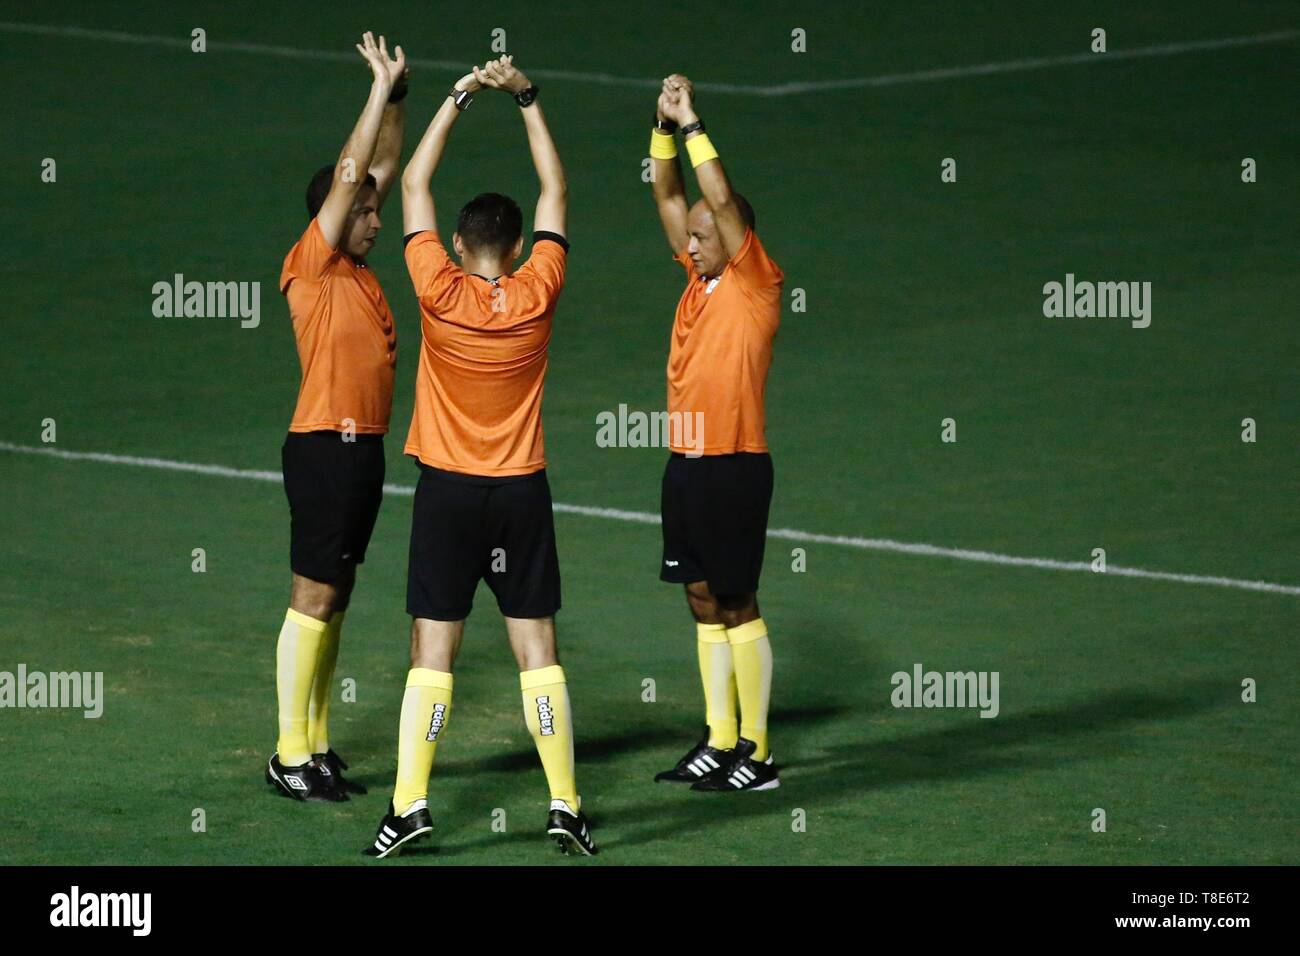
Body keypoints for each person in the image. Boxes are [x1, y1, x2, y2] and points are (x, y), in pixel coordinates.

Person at [364, 56, 596, 857]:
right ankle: (565, 803)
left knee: (434, 652)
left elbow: (414, 182)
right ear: (522, 244)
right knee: (538, 653)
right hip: (521, 493)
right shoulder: (541, 289)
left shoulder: (437, 287)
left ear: (459, 244)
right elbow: (557, 191)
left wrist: (461, 94)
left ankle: (409, 805)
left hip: (450, 494)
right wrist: (528, 96)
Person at [266, 32, 407, 802]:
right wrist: (372, 88)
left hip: (363, 453)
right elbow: (356, 173)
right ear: (333, 214)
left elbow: (380, 165)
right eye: (365, 215)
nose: (377, 221)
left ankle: (317, 744)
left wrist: (399, 96)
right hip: (323, 447)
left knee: (338, 596)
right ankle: (288, 753)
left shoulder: (355, 270)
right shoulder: (313, 261)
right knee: (312, 596)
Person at [648, 73, 785, 791]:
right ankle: (720, 737)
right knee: (701, 597)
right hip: (688, 463)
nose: (691, 244)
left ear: (734, 240)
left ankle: (757, 755)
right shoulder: (698, 279)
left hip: (735, 464)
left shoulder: (755, 283)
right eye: (691, 238)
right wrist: (663, 125)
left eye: (703, 237)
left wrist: (696, 121)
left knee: (737, 601)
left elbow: (717, 201)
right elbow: (671, 196)